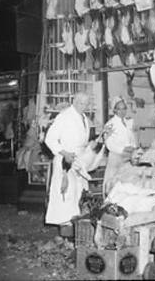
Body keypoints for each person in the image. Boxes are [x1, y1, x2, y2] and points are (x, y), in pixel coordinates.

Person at [42, 92, 93, 230]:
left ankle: (76, 227)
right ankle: (65, 229)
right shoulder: (64, 116)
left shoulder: (83, 117)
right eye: (82, 103)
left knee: (78, 194)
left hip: (79, 161)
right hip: (65, 160)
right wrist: (65, 153)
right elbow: (49, 139)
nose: (85, 106)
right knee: (66, 195)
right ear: (75, 102)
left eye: (87, 104)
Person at [102, 97, 137, 195]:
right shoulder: (110, 124)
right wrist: (123, 149)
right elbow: (108, 143)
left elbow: (132, 138)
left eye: (124, 108)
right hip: (115, 158)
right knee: (113, 186)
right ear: (114, 110)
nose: (122, 111)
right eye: (119, 109)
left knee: (127, 185)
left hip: (127, 158)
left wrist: (133, 148)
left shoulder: (128, 122)